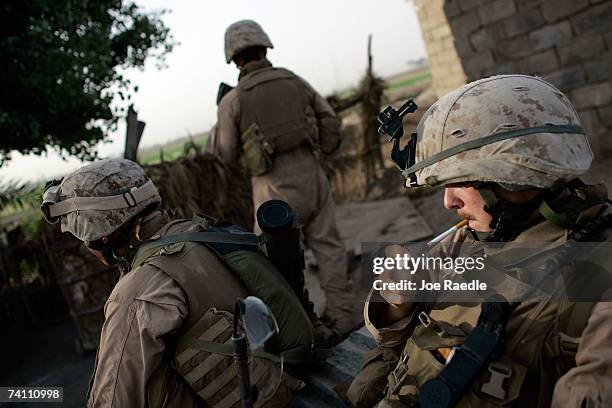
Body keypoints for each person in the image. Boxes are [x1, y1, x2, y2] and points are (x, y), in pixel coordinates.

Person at [347, 75, 612, 407]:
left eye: (458, 181)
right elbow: (392, 336)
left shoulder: (596, 272)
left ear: (515, 174)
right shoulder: (472, 236)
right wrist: (395, 303)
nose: (449, 202)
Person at [40, 158, 312, 407]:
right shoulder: (201, 232)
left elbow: (114, 399)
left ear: (100, 237)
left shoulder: (138, 290)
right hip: (278, 380)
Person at [212, 19, 356, 338]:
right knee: (329, 247)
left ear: (234, 59)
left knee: (272, 264)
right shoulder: (294, 80)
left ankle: (298, 329)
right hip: (312, 175)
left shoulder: (232, 100)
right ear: (265, 48)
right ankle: (342, 317)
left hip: (271, 189)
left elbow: (224, 154)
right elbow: (329, 120)